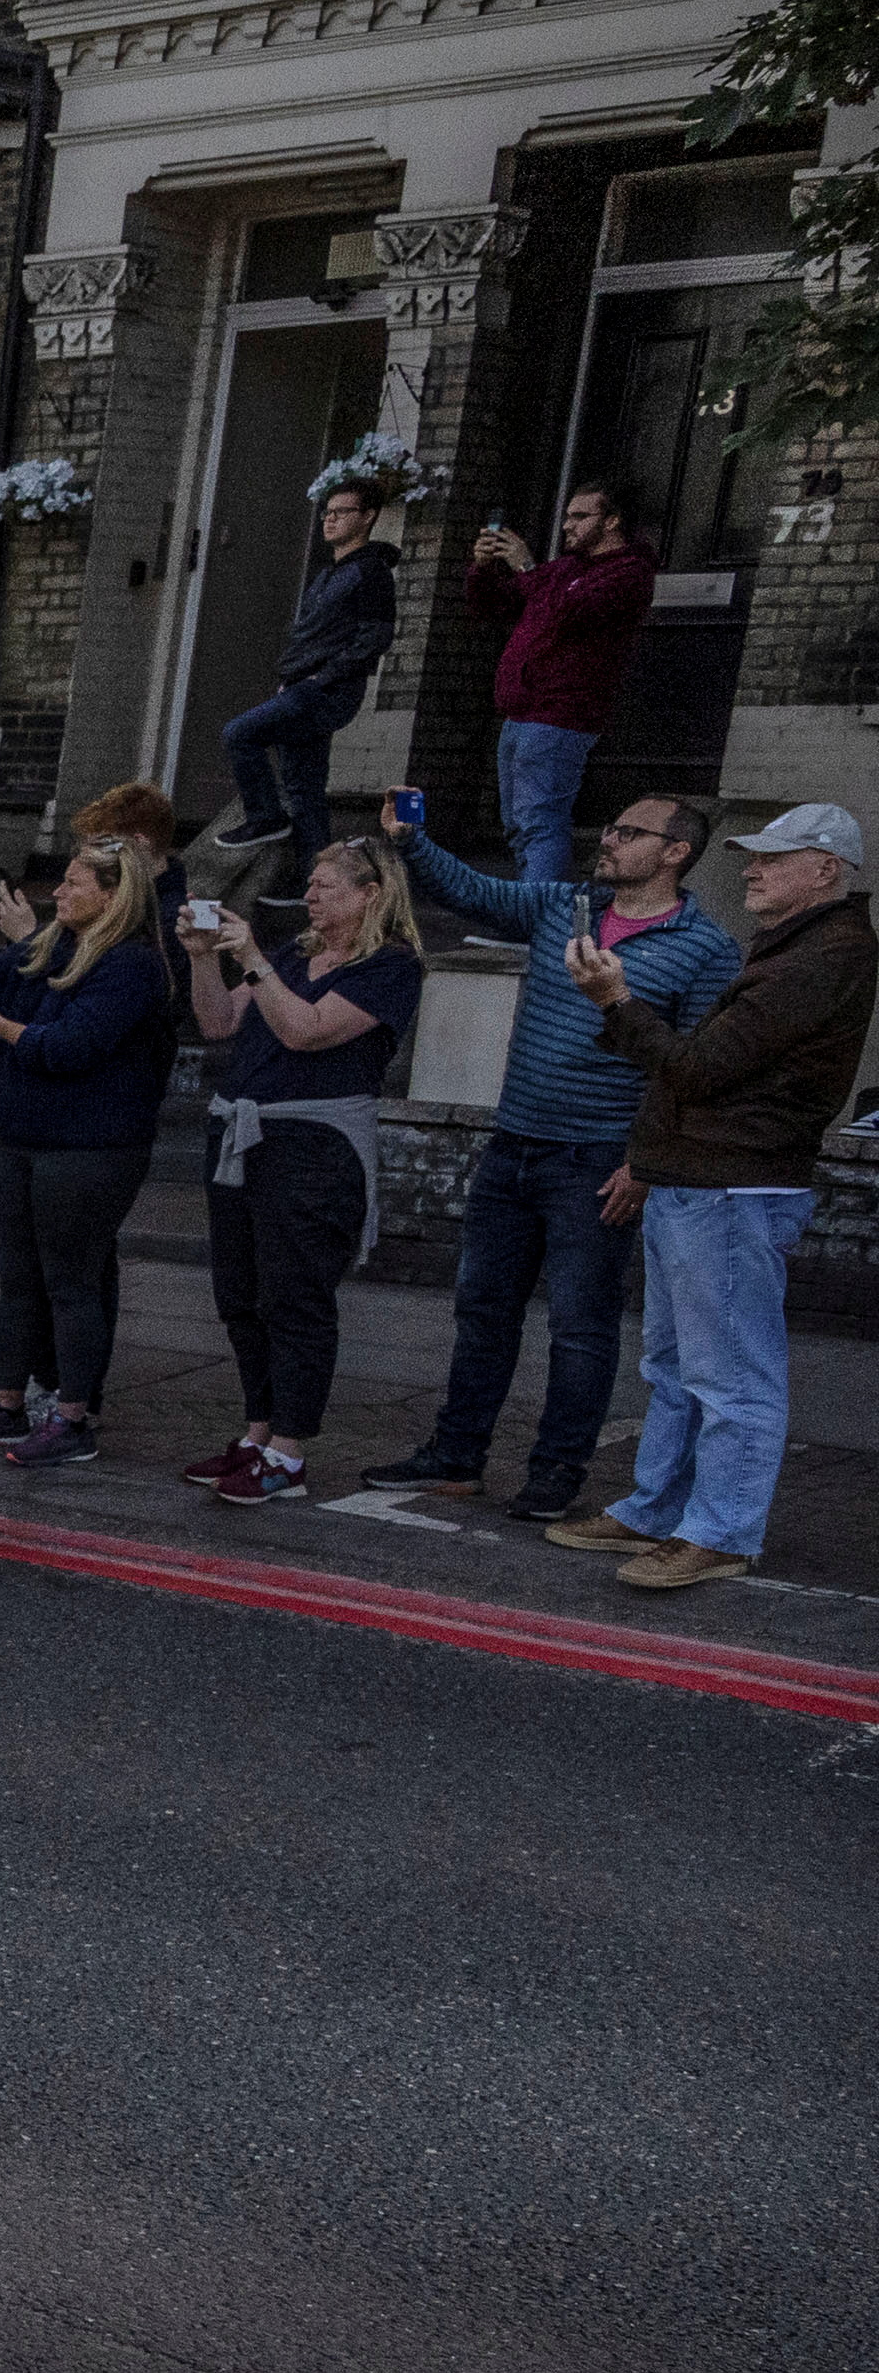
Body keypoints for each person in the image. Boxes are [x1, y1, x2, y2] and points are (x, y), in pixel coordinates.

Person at [362, 790, 743, 1520]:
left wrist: (643, 1163)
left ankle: (557, 1472)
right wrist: (410, 838)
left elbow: (689, 1072)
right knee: (483, 1309)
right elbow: (471, 890)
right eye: (612, 826)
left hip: (596, 1161)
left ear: (676, 853)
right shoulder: (564, 906)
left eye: (630, 832)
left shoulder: (705, 949)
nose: (610, 839)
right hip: (514, 1146)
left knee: (579, 1326)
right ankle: (456, 1456)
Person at [544, 803, 878, 1588]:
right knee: (675, 1365)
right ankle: (656, 1510)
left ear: (826, 869)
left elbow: (699, 1069)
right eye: (753, 856)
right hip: (705, 1181)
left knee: (730, 1377)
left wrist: (616, 1001)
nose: (752, 870)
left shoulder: (822, 956)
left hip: (735, 1186)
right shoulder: (799, 946)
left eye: (773, 857)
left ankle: (721, 1533)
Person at [0, 835, 180, 1466]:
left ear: (113, 895)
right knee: (19, 1280)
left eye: (74, 883)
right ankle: (8, 1404)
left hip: (88, 1147)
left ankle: (72, 1418)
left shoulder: (132, 965)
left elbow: (70, 1047)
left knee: (70, 1282)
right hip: (18, 1136)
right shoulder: (48, 945)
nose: (59, 892)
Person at [176, 838, 428, 1504]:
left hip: (315, 1145)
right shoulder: (295, 954)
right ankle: (257, 1434)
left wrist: (254, 960)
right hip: (245, 1133)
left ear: (370, 893)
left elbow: (306, 1030)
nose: (309, 896)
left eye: (325, 886)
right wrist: (202, 957)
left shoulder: (390, 967)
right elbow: (217, 1021)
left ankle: (288, 1452)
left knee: (294, 1297)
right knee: (241, 1294)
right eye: (311, 884)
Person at [205, 480, 405, 885]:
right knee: (305, 790)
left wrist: (320, 679)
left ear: (368, 517)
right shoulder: (330, 573)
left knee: (240, 733)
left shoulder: (371, 572)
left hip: (325, 692)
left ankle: (265, 817)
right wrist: (292, 678)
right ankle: (311, 884)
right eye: (327, 511)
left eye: (342, 512)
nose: (330, 519)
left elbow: (375, 637)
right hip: (304, 687)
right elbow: (312, 637)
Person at [465, 483, 660, 886]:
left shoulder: (629, 573)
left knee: (540, 820)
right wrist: (482, 569)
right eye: (567, 515)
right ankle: (536, 904)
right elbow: (494, 607)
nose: (567, 525)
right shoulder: (564, 569)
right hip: (520, 712)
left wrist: (527, 567)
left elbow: (570, 613)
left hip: (561, 715)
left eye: (580, 516)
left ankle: (541, 911)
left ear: (612, 521)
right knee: (517, 824)